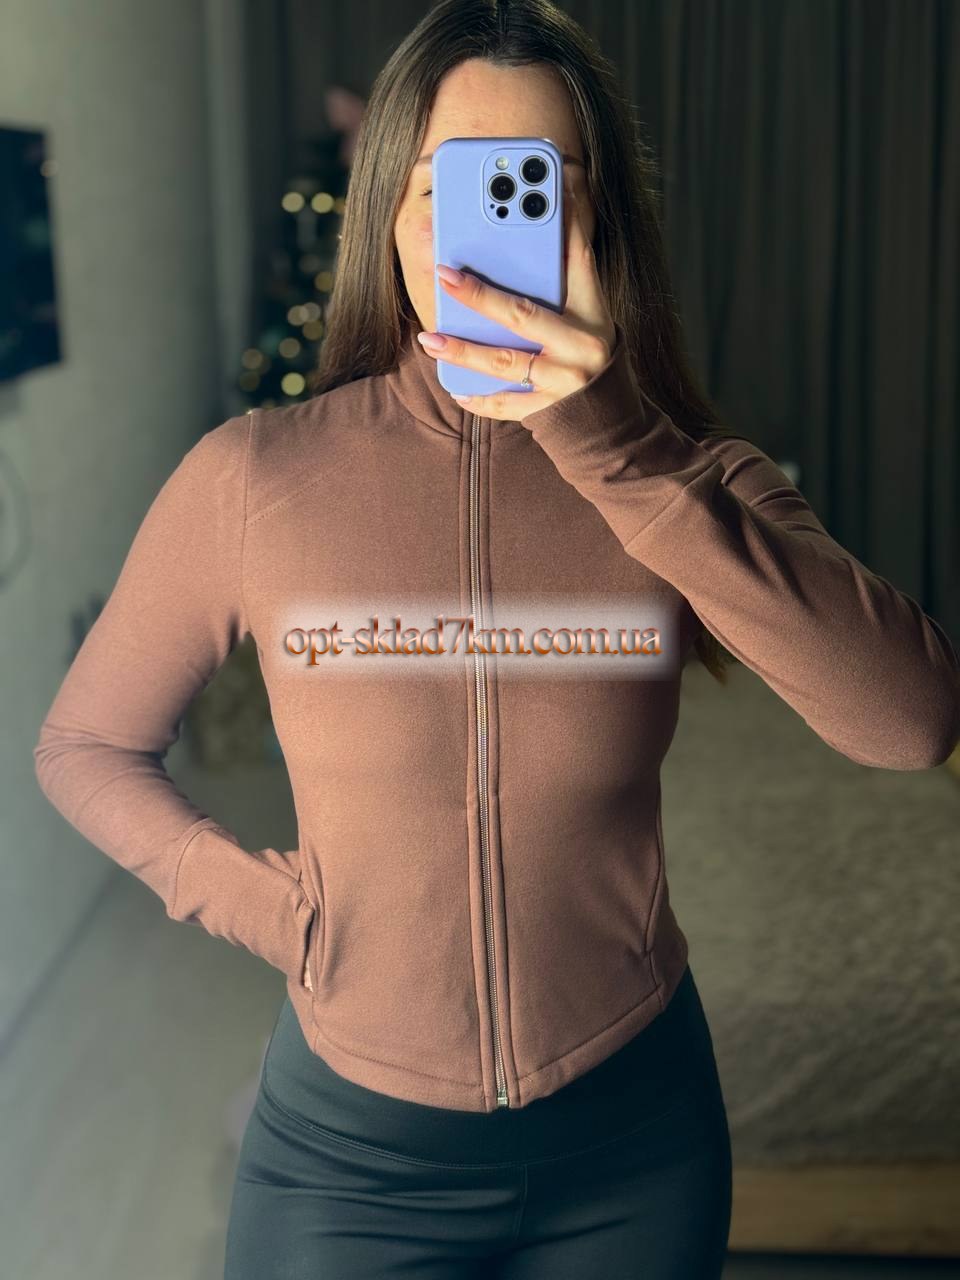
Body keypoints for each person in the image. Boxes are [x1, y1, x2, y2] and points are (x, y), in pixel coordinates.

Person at [32, 1, 960, 1277]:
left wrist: (615, 447)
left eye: (535, 183)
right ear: (389, 214)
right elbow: (84, 744)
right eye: (448, 186)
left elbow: (912, 724)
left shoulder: (692, 477)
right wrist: (275, 910)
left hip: (637, 1145)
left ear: (598, 223)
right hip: (348, 1160)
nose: (486, 231)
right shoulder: (254, 476)